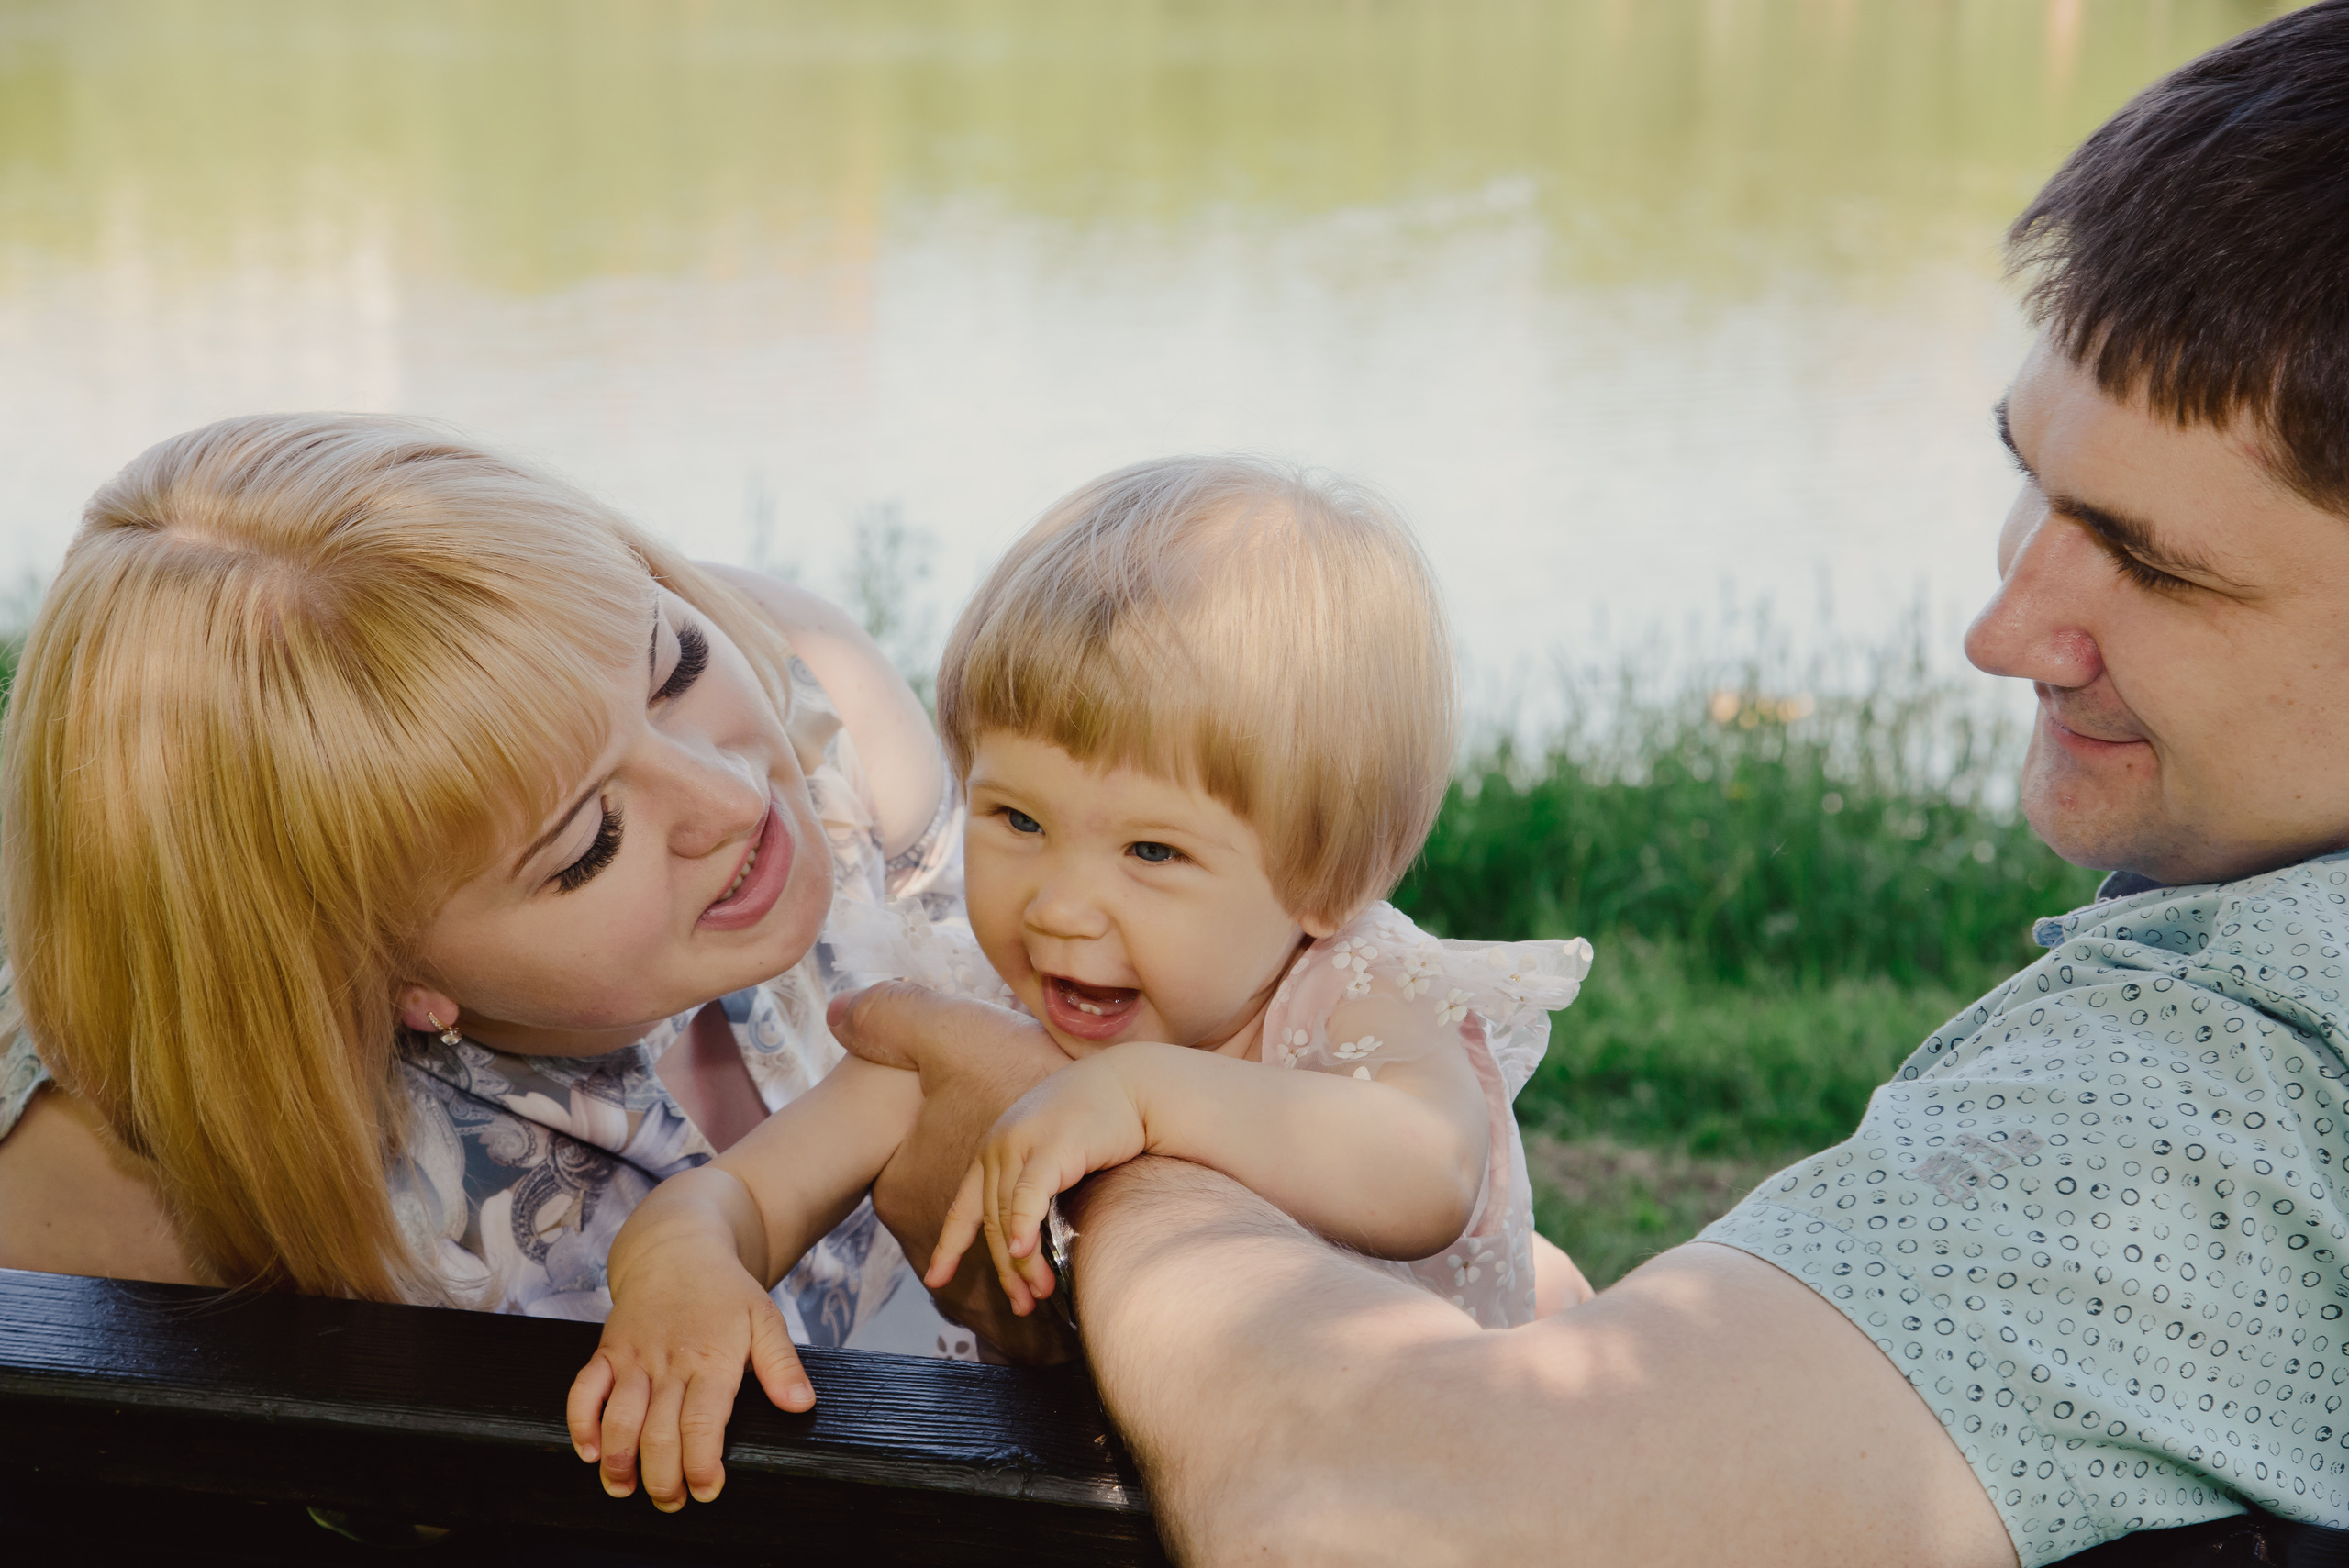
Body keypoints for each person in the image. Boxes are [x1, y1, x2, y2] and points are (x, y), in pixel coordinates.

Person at [818, 6, 2349, 1562]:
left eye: (2156, 564)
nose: (2001, 624)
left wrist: (1115, 1164)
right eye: (2027, 472)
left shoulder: (2226, 1102)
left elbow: (1406, 1523)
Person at [566, 456, 1595, 1501]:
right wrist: (681, 1258)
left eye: (1151, 851)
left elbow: (1427, 1172)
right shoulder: (968, 1022)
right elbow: (741, 1192)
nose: (1057, 905)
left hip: (1417, 1495)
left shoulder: (1350, 989)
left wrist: (1143, 1095)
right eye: (1016, 819)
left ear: (1326, 877)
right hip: (1087, 1501)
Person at [0, 412, 972, 1355]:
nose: (730, 794)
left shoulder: (819, 692)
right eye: (589, 839)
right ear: (386, 976)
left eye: (673, 666)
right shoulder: (110, 1199)